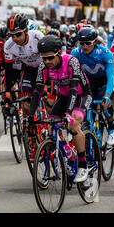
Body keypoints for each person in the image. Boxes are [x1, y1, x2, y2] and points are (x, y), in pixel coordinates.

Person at [27, 35, 92, 183]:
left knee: (73, 123)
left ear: (58, 52)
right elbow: (37, 91)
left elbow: (74, 89)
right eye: (44, 58)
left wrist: (68, 113)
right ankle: (67, 151)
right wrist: (30, 115)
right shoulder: (43, 66)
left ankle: (83, 165)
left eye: (50, 57)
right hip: (63, 97)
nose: (47, 62)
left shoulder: (71, 62)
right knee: (51, 127)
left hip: (81, 95)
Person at [71, 27, 114, 145]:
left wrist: (107, 95)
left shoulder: (105, 53)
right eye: (82, 43)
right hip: (88, 82)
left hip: (104, 81)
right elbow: (72, 76)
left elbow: (111, 76)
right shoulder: (76, 53)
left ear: (94, 42)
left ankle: (112, 127)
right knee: (85, 106)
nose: (85, 46)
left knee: (104, 102)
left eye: (88, 43)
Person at [3, 13, 44, 119]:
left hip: (44, 70)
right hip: (28, 71)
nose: (15, 38)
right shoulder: (8, 46)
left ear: (26, 31)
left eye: (18, 34)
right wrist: (8, 92)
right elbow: (9, 70)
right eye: (12, 35)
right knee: (26, 104)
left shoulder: (37, 37)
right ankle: (30, 131)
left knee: (50, 102)